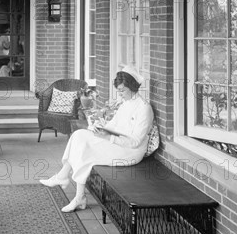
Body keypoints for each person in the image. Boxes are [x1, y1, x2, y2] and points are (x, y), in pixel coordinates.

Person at [40, 66, 154, 212]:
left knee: (85, 148)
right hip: (117, 141)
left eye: (122, 91)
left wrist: (109, 137)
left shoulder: (144, 108)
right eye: (118, 91)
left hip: (131, 152)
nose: (120, 94)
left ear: (133, 87)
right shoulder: (126, 103)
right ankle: (65, 179)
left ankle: (77, 195)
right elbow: (114, 124)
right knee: (79, 135)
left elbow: (136, 141)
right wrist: (101, 127)